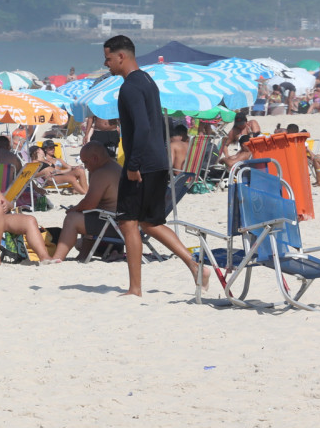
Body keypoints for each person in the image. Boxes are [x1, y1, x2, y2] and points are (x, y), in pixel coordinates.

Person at [102, 35, 207, 297]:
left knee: (128, 223)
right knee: (150, 223)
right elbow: (153, 124)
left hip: (143, 163)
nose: (106, 64)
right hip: (157, 160)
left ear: (121, 56)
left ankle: (135, 288)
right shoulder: (148, 81)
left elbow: (142, 126)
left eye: (108, 58)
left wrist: (133, 164)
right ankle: (194, 266)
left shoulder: (130, 87)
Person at [50, 143, 122, 261]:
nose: (85, 166)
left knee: (72, 218)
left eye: (86, 162)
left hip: (113, 225)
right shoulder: (115, 167)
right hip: (119, 221)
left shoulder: (102, 173)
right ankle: (83, 256)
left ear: (95, 158)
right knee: (87, 214)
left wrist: (74, 209)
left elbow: (89, 204)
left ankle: (57, 258)